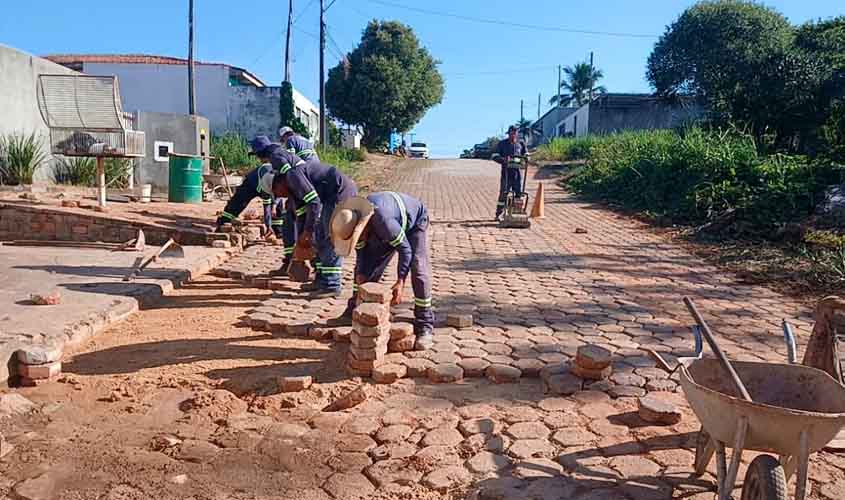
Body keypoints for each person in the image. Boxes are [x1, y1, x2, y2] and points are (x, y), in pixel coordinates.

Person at [330, 192, 434, 350]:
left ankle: (425, 324)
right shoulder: (355, 222)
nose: (357, 241)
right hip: (384, 227)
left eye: (358, 237)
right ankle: (355, 310)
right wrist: (361, 275)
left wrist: (400, 281)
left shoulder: (384, 222)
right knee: (365, 273)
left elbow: (405, 250)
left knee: (418, 269)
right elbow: (362, 256)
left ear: (362, 228)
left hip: (414, 222)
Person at [260, 145, 358, 298]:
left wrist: (308, 231)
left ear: (278, 183)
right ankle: (320, 280)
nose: (279, 196)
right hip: (329, 197)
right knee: (317, 238)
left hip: (340, 193)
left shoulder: (293, 177)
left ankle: (331, 285)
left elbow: (314, 203)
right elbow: (302, 218)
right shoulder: (293, 194)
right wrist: (303, 241)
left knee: (329, 236)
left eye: (276, 192)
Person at [491, 125, 528, 220]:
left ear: (517, 134)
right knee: (504, 193)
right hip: (506, 174)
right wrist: (503, 160)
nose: (513, 135)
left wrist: (526, 159)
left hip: (517, 174)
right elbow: (495, 156)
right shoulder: (502, 144)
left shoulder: (521, 144)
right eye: (511, 133)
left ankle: (516, 214)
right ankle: (499, 213)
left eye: (515, 133)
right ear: (509, 133)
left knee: (518, 194)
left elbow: (526, 155)